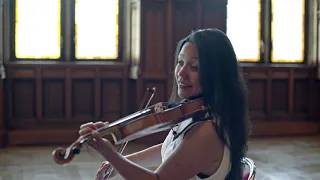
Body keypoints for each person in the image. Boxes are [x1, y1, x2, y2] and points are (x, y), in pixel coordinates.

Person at [79, 28, 251, 180]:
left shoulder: (208, 131)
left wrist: (110, 155)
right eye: (180, 62)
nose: (181, 73)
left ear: (216, 75)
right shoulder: (198, 111)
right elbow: (173, 150)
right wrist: (119, 163)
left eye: (194, 67)